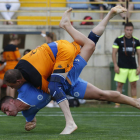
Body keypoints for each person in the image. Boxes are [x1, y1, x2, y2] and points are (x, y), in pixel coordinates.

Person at [2, 6, 127, 134]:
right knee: (90, 42)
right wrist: (31, 121)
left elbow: (52, 91)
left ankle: (70, 123)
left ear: (18, 81)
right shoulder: (19, 70)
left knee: (55, 86)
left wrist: (58, 91)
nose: (12, 89)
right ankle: (110, 13)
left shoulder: (34, 78)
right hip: (58, 50)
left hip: (61, 54)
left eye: (12, 86)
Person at [112, 22, 140, 108]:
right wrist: (115, 65)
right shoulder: (118, 39)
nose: (129, 31)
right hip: (121, 67)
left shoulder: (136, 41)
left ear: (132, 30)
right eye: (127, 30)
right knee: (119, 85)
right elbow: (113, 53)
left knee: (133, 85)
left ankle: (135, 103)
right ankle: (117, 103)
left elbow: (139, 54)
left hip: (133, 67)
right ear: (124, 30)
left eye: (130, 30)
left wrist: (139, 66)